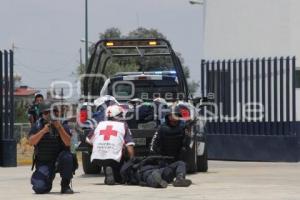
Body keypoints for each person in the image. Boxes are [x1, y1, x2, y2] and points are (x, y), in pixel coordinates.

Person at [28, 102, 76, 194]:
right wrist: (43, 131)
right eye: (46, 113)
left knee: (68, 156)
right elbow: (31, 142)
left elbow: (69, 143)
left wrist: (59, 128)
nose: (50, 115)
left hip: (60, 160)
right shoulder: (38, 125)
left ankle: (65, 185)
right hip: (45, 162)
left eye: (53, 112)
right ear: (42, 114)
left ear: (57, 113)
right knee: (39, 188)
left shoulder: (63, 124)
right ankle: (47, 181)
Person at [86, 104, 135, 185]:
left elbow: (87, 140)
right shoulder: (123, 125)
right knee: (123, 150)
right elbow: (129, 146)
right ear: (119, 115)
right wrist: (132, 161)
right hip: (114, 159)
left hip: (97, 158)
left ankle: (108, 171)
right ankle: (116, 175)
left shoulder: (100, 124)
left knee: (108, 156)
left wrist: (97, 147)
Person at [120, 156, 192, 188]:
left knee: (180, 163)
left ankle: (180, 178)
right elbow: (123, 171)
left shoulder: (154, 159)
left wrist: (159, 159)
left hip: (160, 170)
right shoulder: (133, 167)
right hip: (145, 173)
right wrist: (133, 160)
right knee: (151, 176)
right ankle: (158, 182)